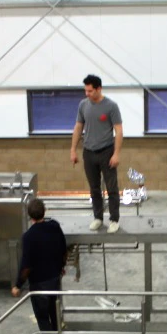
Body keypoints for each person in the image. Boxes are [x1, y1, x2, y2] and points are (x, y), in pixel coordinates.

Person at [12, 198, 67, 334]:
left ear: (30, 216)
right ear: (44, 211)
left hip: (39, 285)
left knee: (43, 317)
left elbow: (26, 265)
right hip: (54, 280)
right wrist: (61, 267)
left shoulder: (29, 236)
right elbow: (63, 249)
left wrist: (17, 285)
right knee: (53, 313)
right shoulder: (54, 226)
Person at [70, 74, 124, 233]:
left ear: (99, 89)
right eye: (85, 91)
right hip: (89, 152)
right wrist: (73, 149)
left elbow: (119, 130)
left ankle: (114, 219)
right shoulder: (83, 105)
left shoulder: (111, 106)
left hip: (107, 152)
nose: (87, 94)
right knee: (94, 188)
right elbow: (78, 127)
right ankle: (98, 218)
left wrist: (116, 154)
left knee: (112, 188)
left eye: (90, 91)